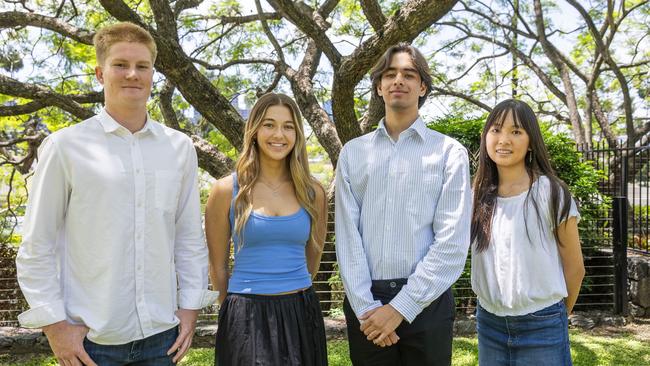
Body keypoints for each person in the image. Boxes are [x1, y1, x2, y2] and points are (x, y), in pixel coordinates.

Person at [15, 22, 217, 365]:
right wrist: (55, 327)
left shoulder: (179, 148)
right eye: (120, 65)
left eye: (142, 66)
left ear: (153, 73)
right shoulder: (65, 147)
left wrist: (190, 308)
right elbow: (38, 245)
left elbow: (188, 238)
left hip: (162, 338)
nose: (132, 75)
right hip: (91, 343)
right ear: (99, 73)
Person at [335, 42, 472, 365]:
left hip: (428, 302)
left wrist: (400, 308)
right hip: (366, 302)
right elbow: (347, 236)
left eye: (409, 74)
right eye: (390, 74)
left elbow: (451, 243)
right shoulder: (353, 153)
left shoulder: (449, 153)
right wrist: (367, 308)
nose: (399, 80)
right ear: (379, 86)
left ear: (422, 86)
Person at [205, 92, 328, 365]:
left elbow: (313, 260)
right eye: (269, 124)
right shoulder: (226, 190)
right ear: (254, 130)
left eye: (288, 126)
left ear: (297, 134)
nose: (279, 134)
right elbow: (218, 267)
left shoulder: (314, 192)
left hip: (301, 313)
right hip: (246, 316)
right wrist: (235, 312)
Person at [470, 99, 585, 365]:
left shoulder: (551, 192)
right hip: (489, 323)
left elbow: (575, 269)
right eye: (496, 129)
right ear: (485, 137)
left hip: (543, 323)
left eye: (516, 131)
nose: (504, 139)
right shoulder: (474, 195)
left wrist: (556, 317)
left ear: (531, 141)